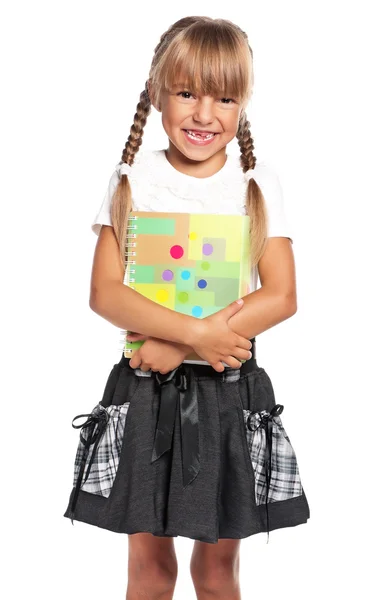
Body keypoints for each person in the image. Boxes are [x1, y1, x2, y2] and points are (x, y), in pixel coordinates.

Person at [63, 15, 310, 600]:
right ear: (157, 94)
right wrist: (189, 336)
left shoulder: (256, 182)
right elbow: (105, 291)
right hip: (145, 391)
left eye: (225, 97)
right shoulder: (132, 179)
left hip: (227, 390)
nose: (205, 114)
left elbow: (281, 295)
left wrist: (181, 342)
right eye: (187, 93)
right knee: (150, 570)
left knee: (217, 570)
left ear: (242, 104)